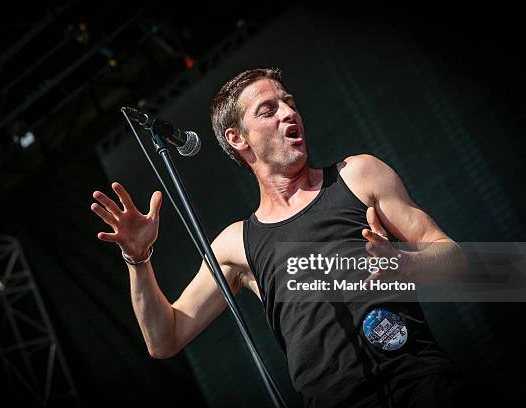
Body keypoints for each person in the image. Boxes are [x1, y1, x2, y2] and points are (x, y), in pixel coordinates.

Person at [90, 68, 467, 407]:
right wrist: (137, 259)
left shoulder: (358, 176)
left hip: (420, 384)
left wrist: (407, 264)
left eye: (289, 103)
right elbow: (164, 338)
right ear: (237, 138)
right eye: (268, 110)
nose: (288, 113)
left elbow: (457, 261)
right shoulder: (236, 243)